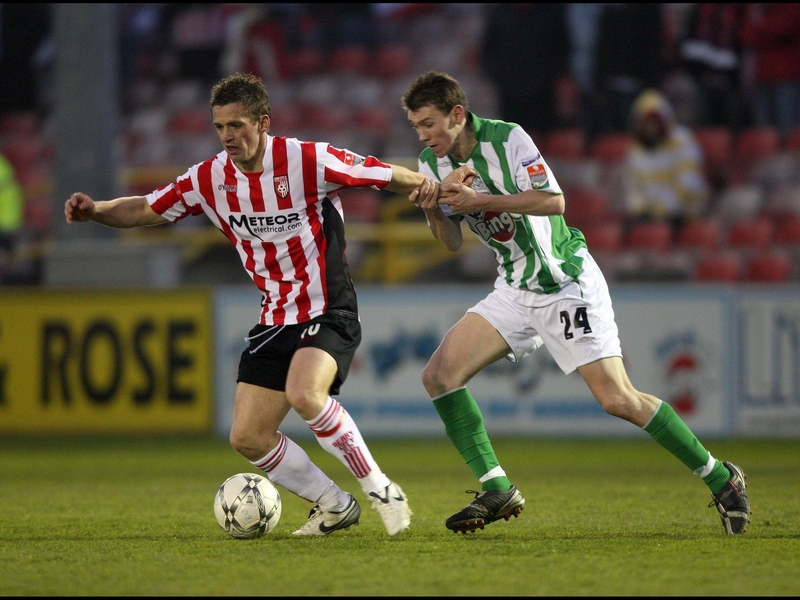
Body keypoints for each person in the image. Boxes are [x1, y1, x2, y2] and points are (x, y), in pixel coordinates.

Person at [63, 72, 430, 537]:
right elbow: (145, 209)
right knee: (248, 437)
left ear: (263, 121)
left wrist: (432, 187)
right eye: (219, 127)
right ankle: (334, 504)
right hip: (275, 317)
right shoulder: (210, 178)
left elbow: (382, 173)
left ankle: (381, 489)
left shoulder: (306, 159)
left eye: (237, 125)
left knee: (305, 394)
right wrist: (96, 210)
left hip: (329, 308)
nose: (228, 137)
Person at [400, 71, 751, 535]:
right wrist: (430, 206)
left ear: (457, 115)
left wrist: (480, 199)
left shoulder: (509, 139)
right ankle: (497, 485)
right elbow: (448, 242)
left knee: (617, 399)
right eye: (416, 126)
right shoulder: (432, 162)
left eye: (429, 124)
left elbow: (555, 201)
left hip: (565, 280)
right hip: (514, 287)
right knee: (439, 375)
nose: (423, 136)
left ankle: (721, 478)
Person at [623, 88, 710, 237]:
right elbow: (633, 188)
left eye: (654, 121)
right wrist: (641, 208)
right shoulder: (635, 149)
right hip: (651, 214)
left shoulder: (682, 140)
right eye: (646, 122)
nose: (651, 128)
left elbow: (689, 185)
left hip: (682, 213)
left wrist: (663, 208)